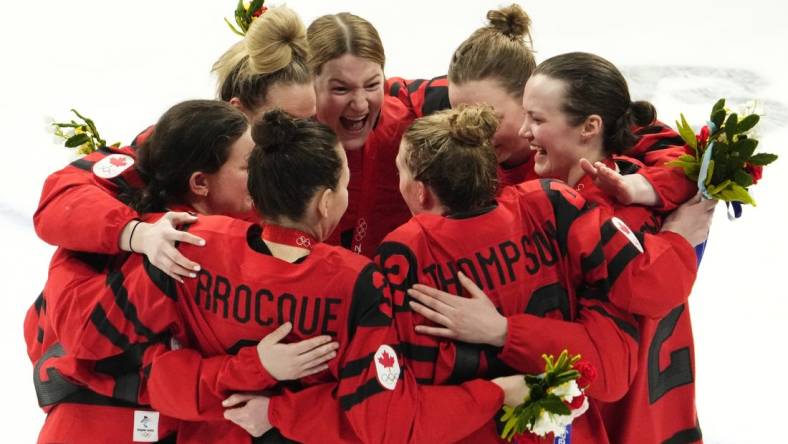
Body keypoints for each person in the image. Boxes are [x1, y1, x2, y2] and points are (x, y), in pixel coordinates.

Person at [35, 109, 524, 444]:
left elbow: (146, 371)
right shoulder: (356, 282)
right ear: (327, 200)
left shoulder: (194, 241)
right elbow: (387, 419)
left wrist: (253, 374)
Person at [28, 100, 339, 443]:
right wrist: (136, 235)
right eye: (250, 165)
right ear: (200, 183)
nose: (266, 169)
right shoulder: (143, 249)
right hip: (99, 425)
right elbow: (95, 342)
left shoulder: (230, 216)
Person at [31, 6, 316, 282]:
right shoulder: (177, 145)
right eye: (283, 122)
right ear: (240, 111)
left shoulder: (301, 168)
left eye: (309, 122)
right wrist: (136, 234)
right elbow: (60, 198)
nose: (300, 137)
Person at [518, 51, 707, 443]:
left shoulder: (592, 217)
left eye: (537, 119)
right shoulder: (642, 183)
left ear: (589, 126)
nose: (524, 131)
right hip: (665, 420)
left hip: (624, 423)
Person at [387, 4, 696, 210]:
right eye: (458, 112)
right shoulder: (445, 99)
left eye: (488, 117)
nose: (471, 129)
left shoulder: (584, 115)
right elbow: (385, 90)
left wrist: (641, 187)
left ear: (529, 97)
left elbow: (687, 162)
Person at [305, 12, 414, 257]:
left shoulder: (406, 132)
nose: (360, 104)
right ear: (308, 85)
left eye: (372, 85)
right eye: (341, 88)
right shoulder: (277, 143)